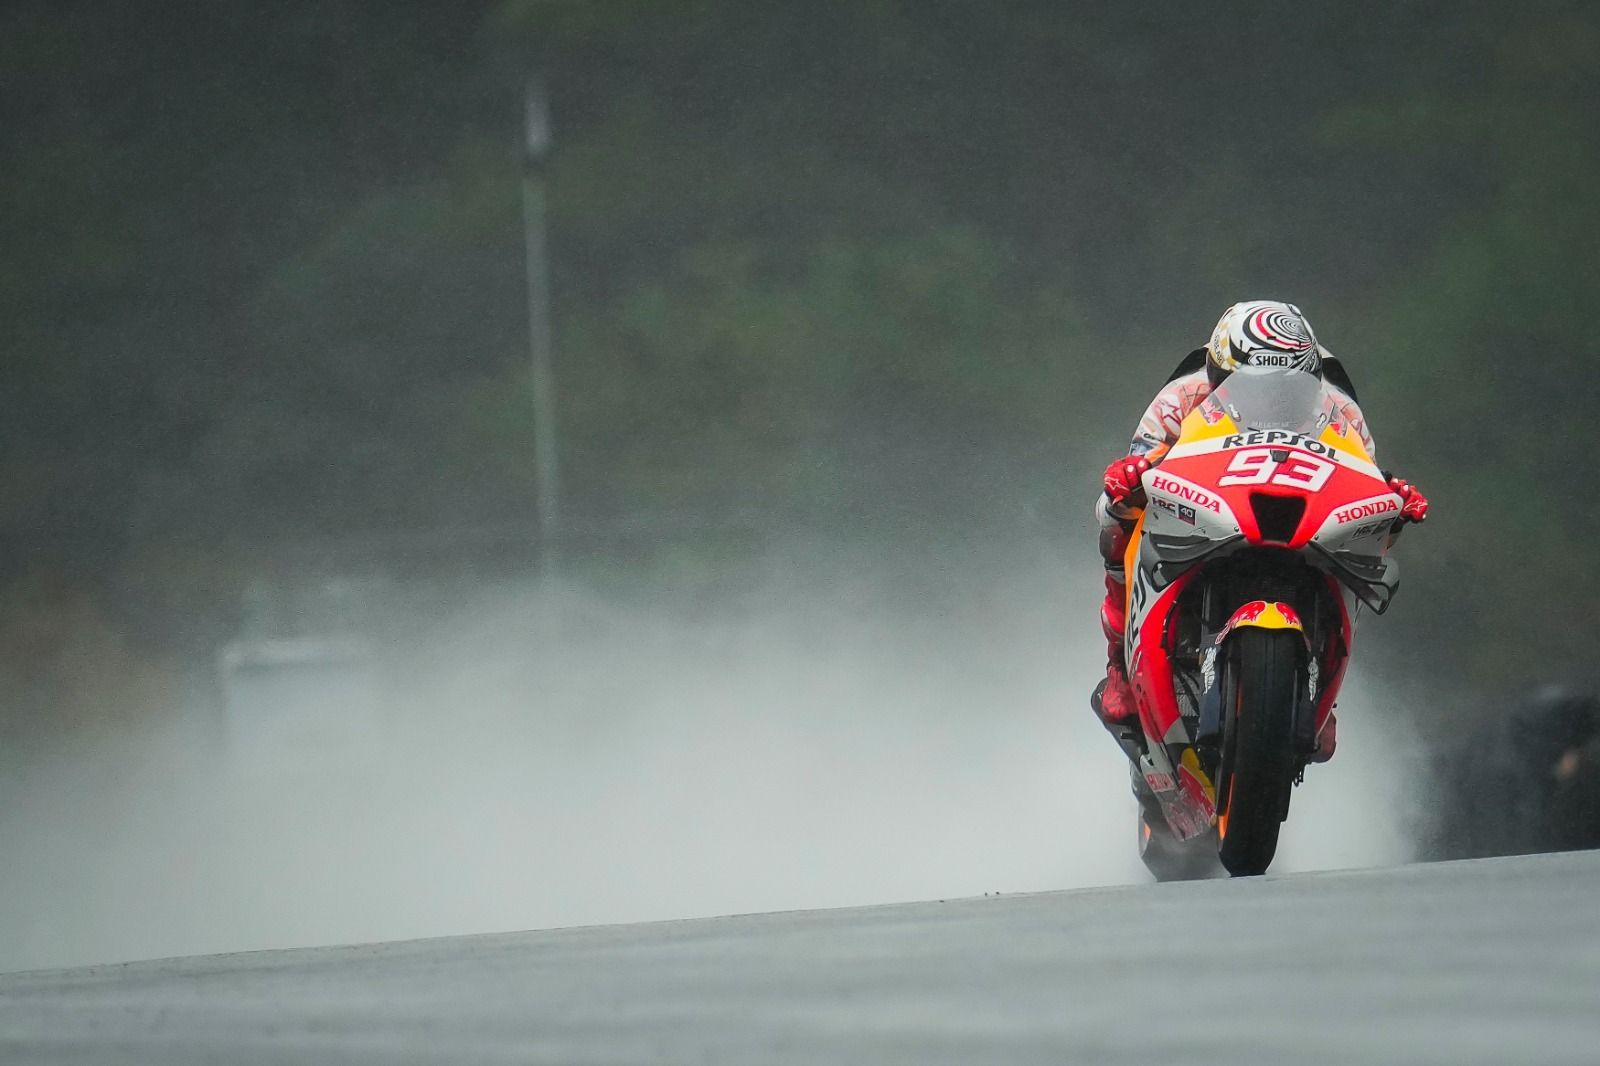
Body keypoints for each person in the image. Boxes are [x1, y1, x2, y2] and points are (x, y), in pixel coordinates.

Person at [1091, 300, 1429, 761]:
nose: (1271, 399)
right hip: (1214, 509)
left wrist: (1394, 503)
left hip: (1303, 519)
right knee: (1113, 513)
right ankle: (1119, 666)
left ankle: (1322, 689)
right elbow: (1139, 464)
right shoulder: (1180, 398)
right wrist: (1129, 477)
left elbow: (1366, 488)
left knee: (1360, 549)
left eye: (1288, 389)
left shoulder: (1340, 411)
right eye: (1252, 387)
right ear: (1218, 375)